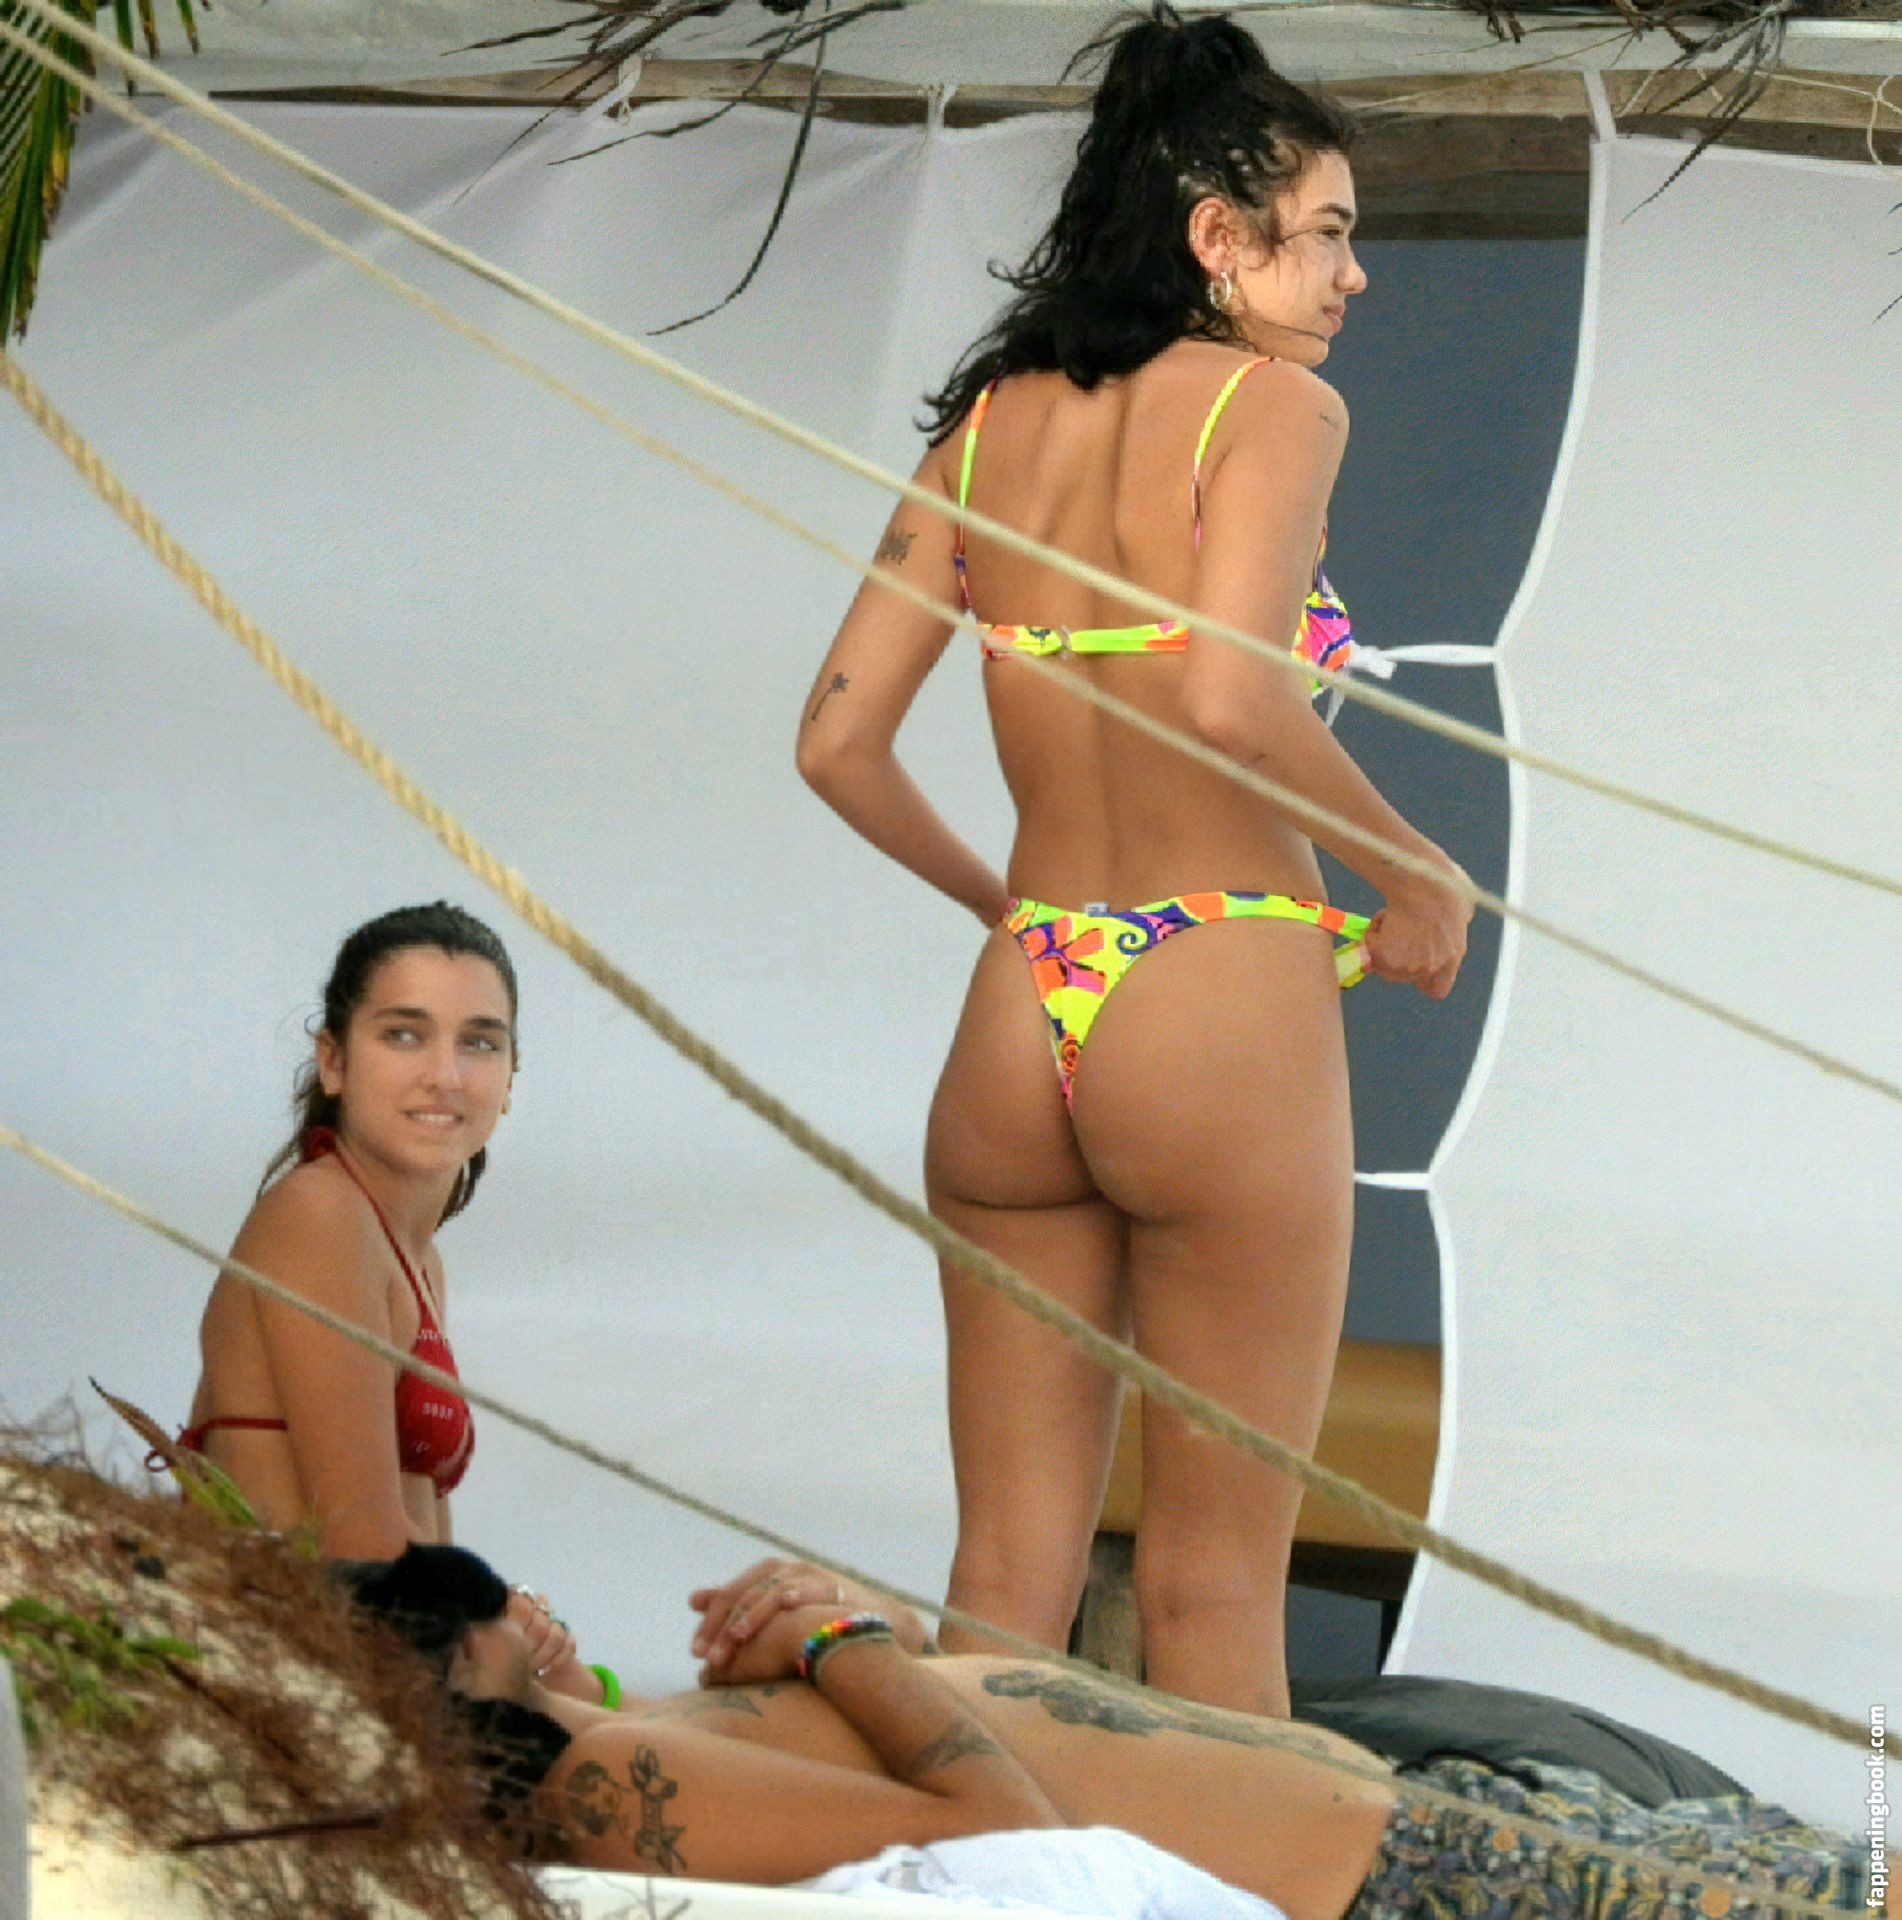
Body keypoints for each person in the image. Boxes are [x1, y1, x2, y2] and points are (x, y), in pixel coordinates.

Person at [794, 3, 1472, 1715]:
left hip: (1023, 1001)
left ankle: (971, 1858)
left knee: (1000, 1584)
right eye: (1325, 234)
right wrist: (1413, 869)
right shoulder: (1270, 408)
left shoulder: (989, 423)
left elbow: (835, 745)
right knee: (1213, 1585)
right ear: (1216, 237)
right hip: (1213, 979)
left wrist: (1001, 910)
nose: (1353, 276)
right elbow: (1230, 698)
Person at [349, 1545, 1873, 1918]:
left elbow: (975, 1713)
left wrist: (859, 1627)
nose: (532, 1599)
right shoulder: (605, 1785)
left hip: (1415, 1826)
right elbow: (1011, 1846)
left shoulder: (640, 1730)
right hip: (1400, 1878)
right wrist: (837, 1642)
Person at [173, 901, 596, 1698]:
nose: (446, 1074)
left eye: (480, 1042)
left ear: (510, 1079)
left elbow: (419, 1551)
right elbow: (359, 1540)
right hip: (306, 1679)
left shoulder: (418, 1258)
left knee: (765, 1709)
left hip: (403, 1672)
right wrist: (506, 1624)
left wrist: (519, 1629)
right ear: (333, 1061)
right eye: (404, 1035)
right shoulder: (319, 1215)